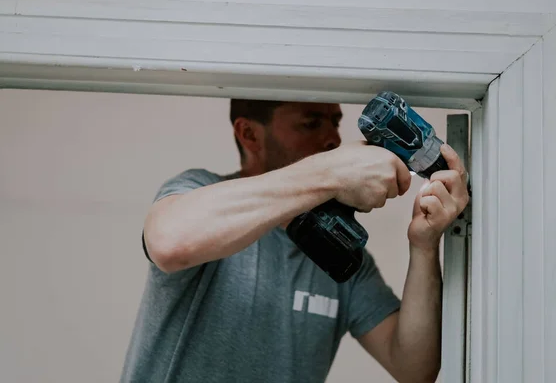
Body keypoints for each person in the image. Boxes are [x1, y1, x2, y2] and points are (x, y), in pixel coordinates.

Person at [120, 99, 470, 383]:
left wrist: (424, 246)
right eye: (311, 123)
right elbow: (168, 242)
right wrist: (331, 172)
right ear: (249, 134)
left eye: (335, 122)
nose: (333, 138)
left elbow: (414, 368)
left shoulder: (341, 252)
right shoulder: (200, 191)